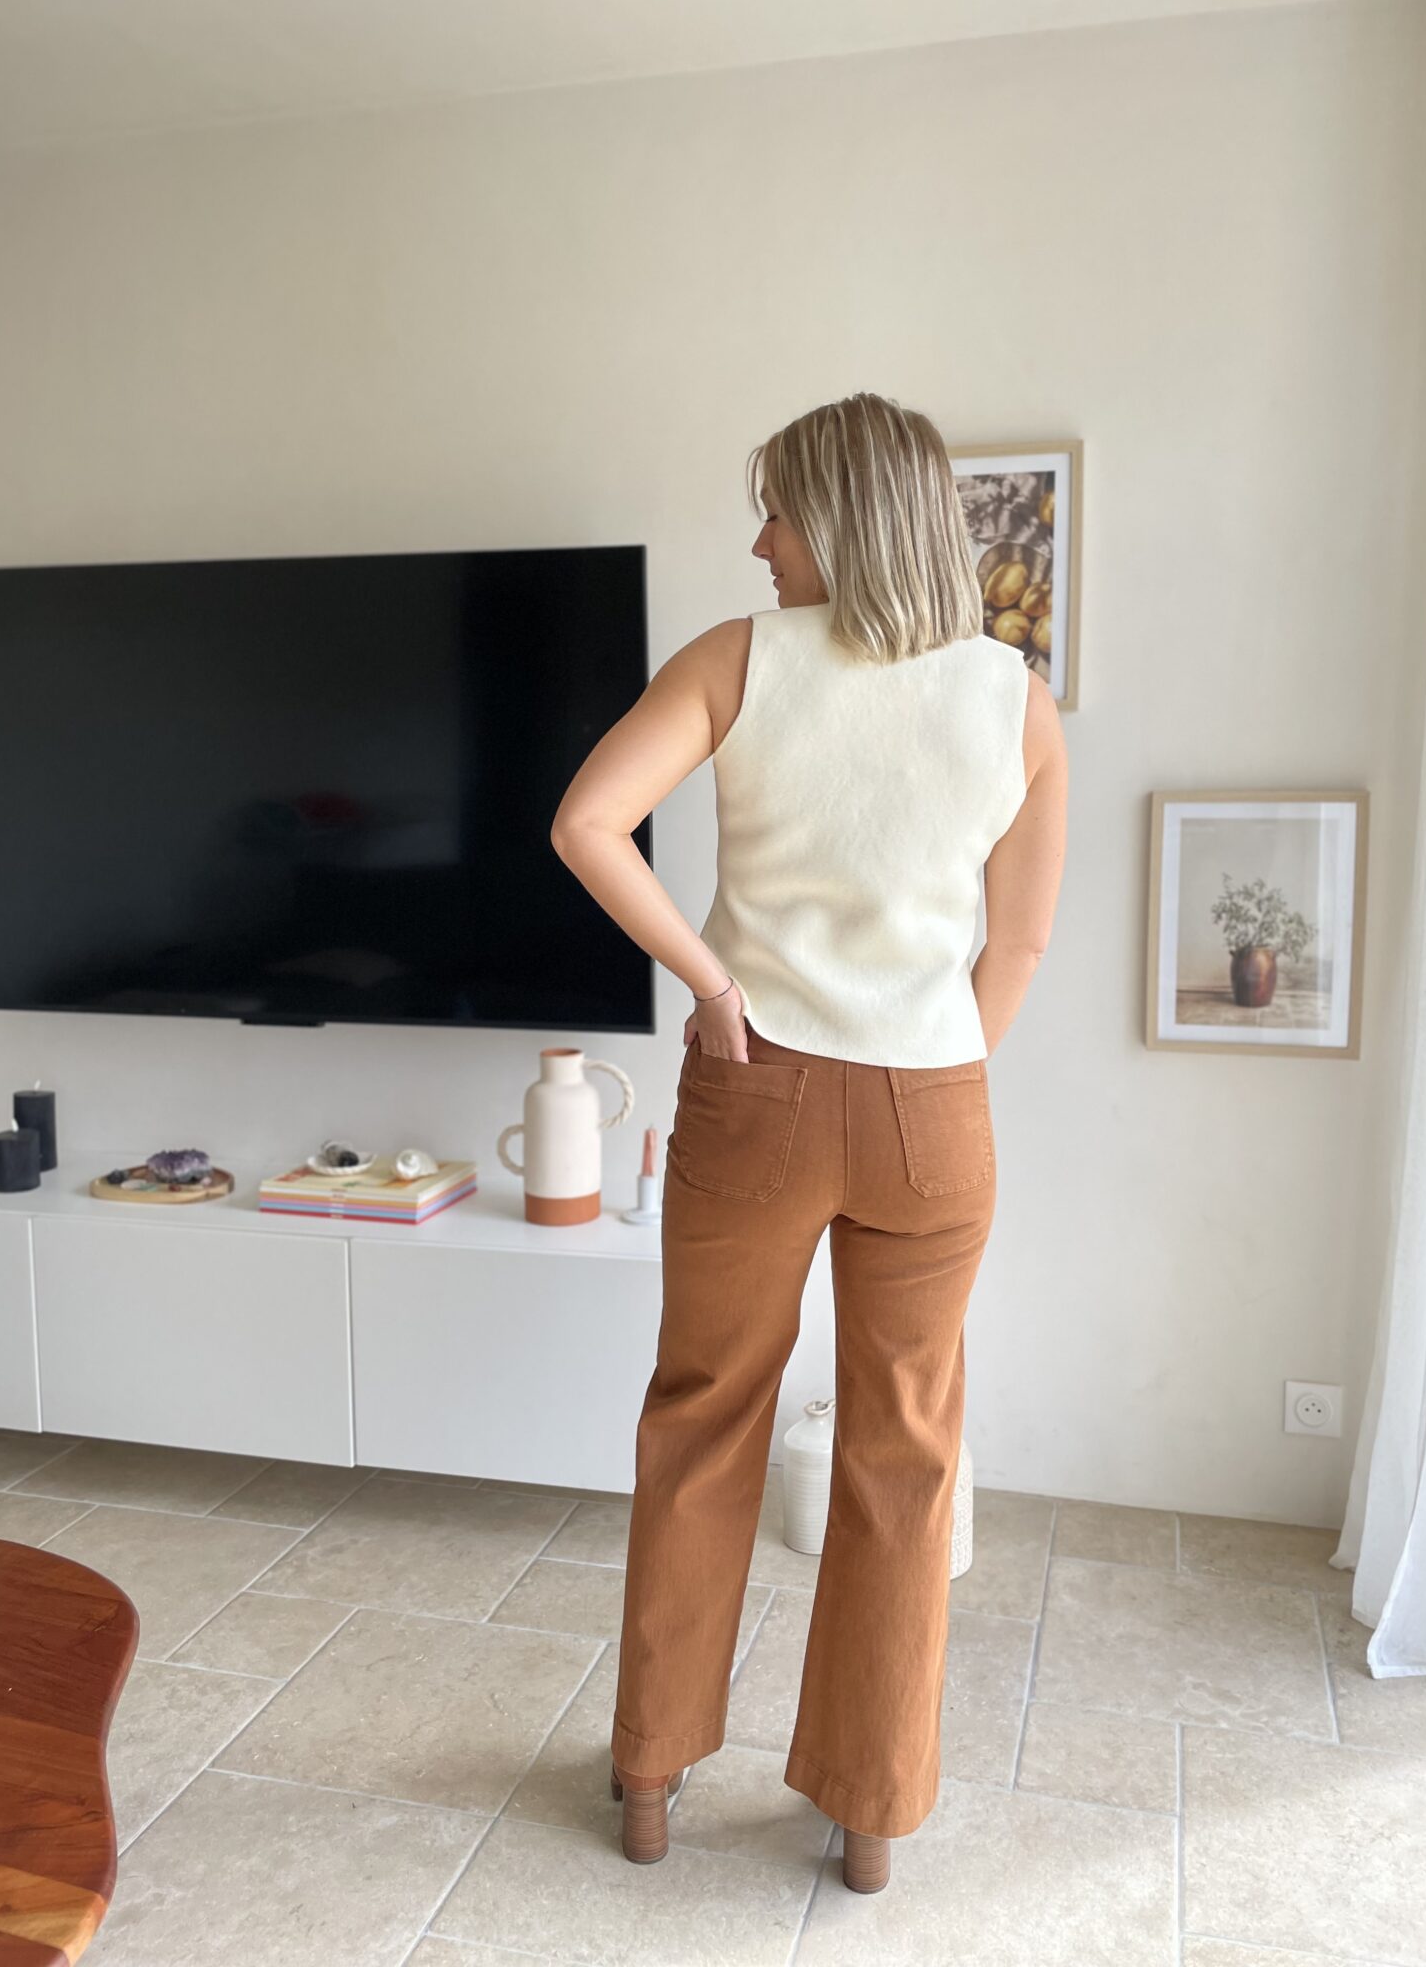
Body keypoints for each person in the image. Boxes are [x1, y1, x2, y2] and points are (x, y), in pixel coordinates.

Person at [550, 390, 1067, 1893]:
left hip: (754, 1089)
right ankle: (872, 1812)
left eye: (776, 509)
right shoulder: (1014, 700)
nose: (760, 541)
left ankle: (653, 1775)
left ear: (840, 515)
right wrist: (935, 1068)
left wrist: (713, 987)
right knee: (904, 1448)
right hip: (932, 1110)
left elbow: (587, 824)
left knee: (702, 1417)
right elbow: (1019, 946)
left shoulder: (739, 659)